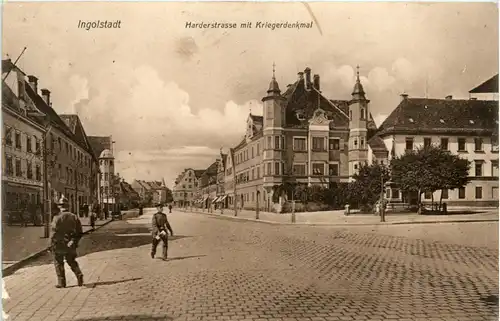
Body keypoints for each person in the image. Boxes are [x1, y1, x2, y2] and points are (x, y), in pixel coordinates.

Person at [49, 195, 84, 288]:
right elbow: (80, 232)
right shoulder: (74, 217)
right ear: (68, 206)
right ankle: (78, 274)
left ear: (60, 206)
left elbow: (53, 232)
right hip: (70, 243)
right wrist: (74, 241)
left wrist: (51, 245)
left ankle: (62, 283)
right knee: (71, 261)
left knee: (58, 262)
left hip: (59, 244)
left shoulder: (57, 217)